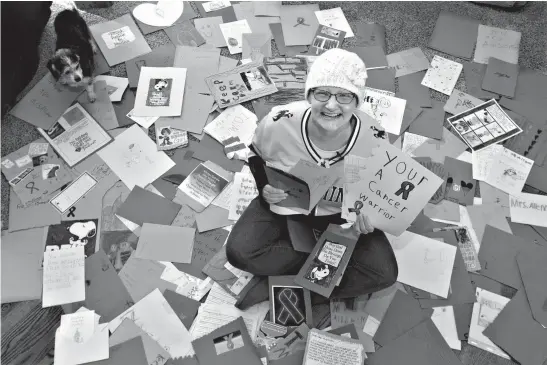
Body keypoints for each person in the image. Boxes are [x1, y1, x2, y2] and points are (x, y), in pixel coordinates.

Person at [226, 48, 399, 310]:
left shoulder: (375, 137)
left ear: (357, 101)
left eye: (344, 96)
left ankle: (291, 287)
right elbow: (256, 156)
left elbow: (377, 191)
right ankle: (322, 268)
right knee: (239, 252)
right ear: (308, 95)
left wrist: (370, 216)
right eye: (322, 93)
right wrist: (264, 187)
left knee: (384, 274)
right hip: (288, 206)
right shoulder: (277, 121)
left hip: (341, 216)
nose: (331, 105)